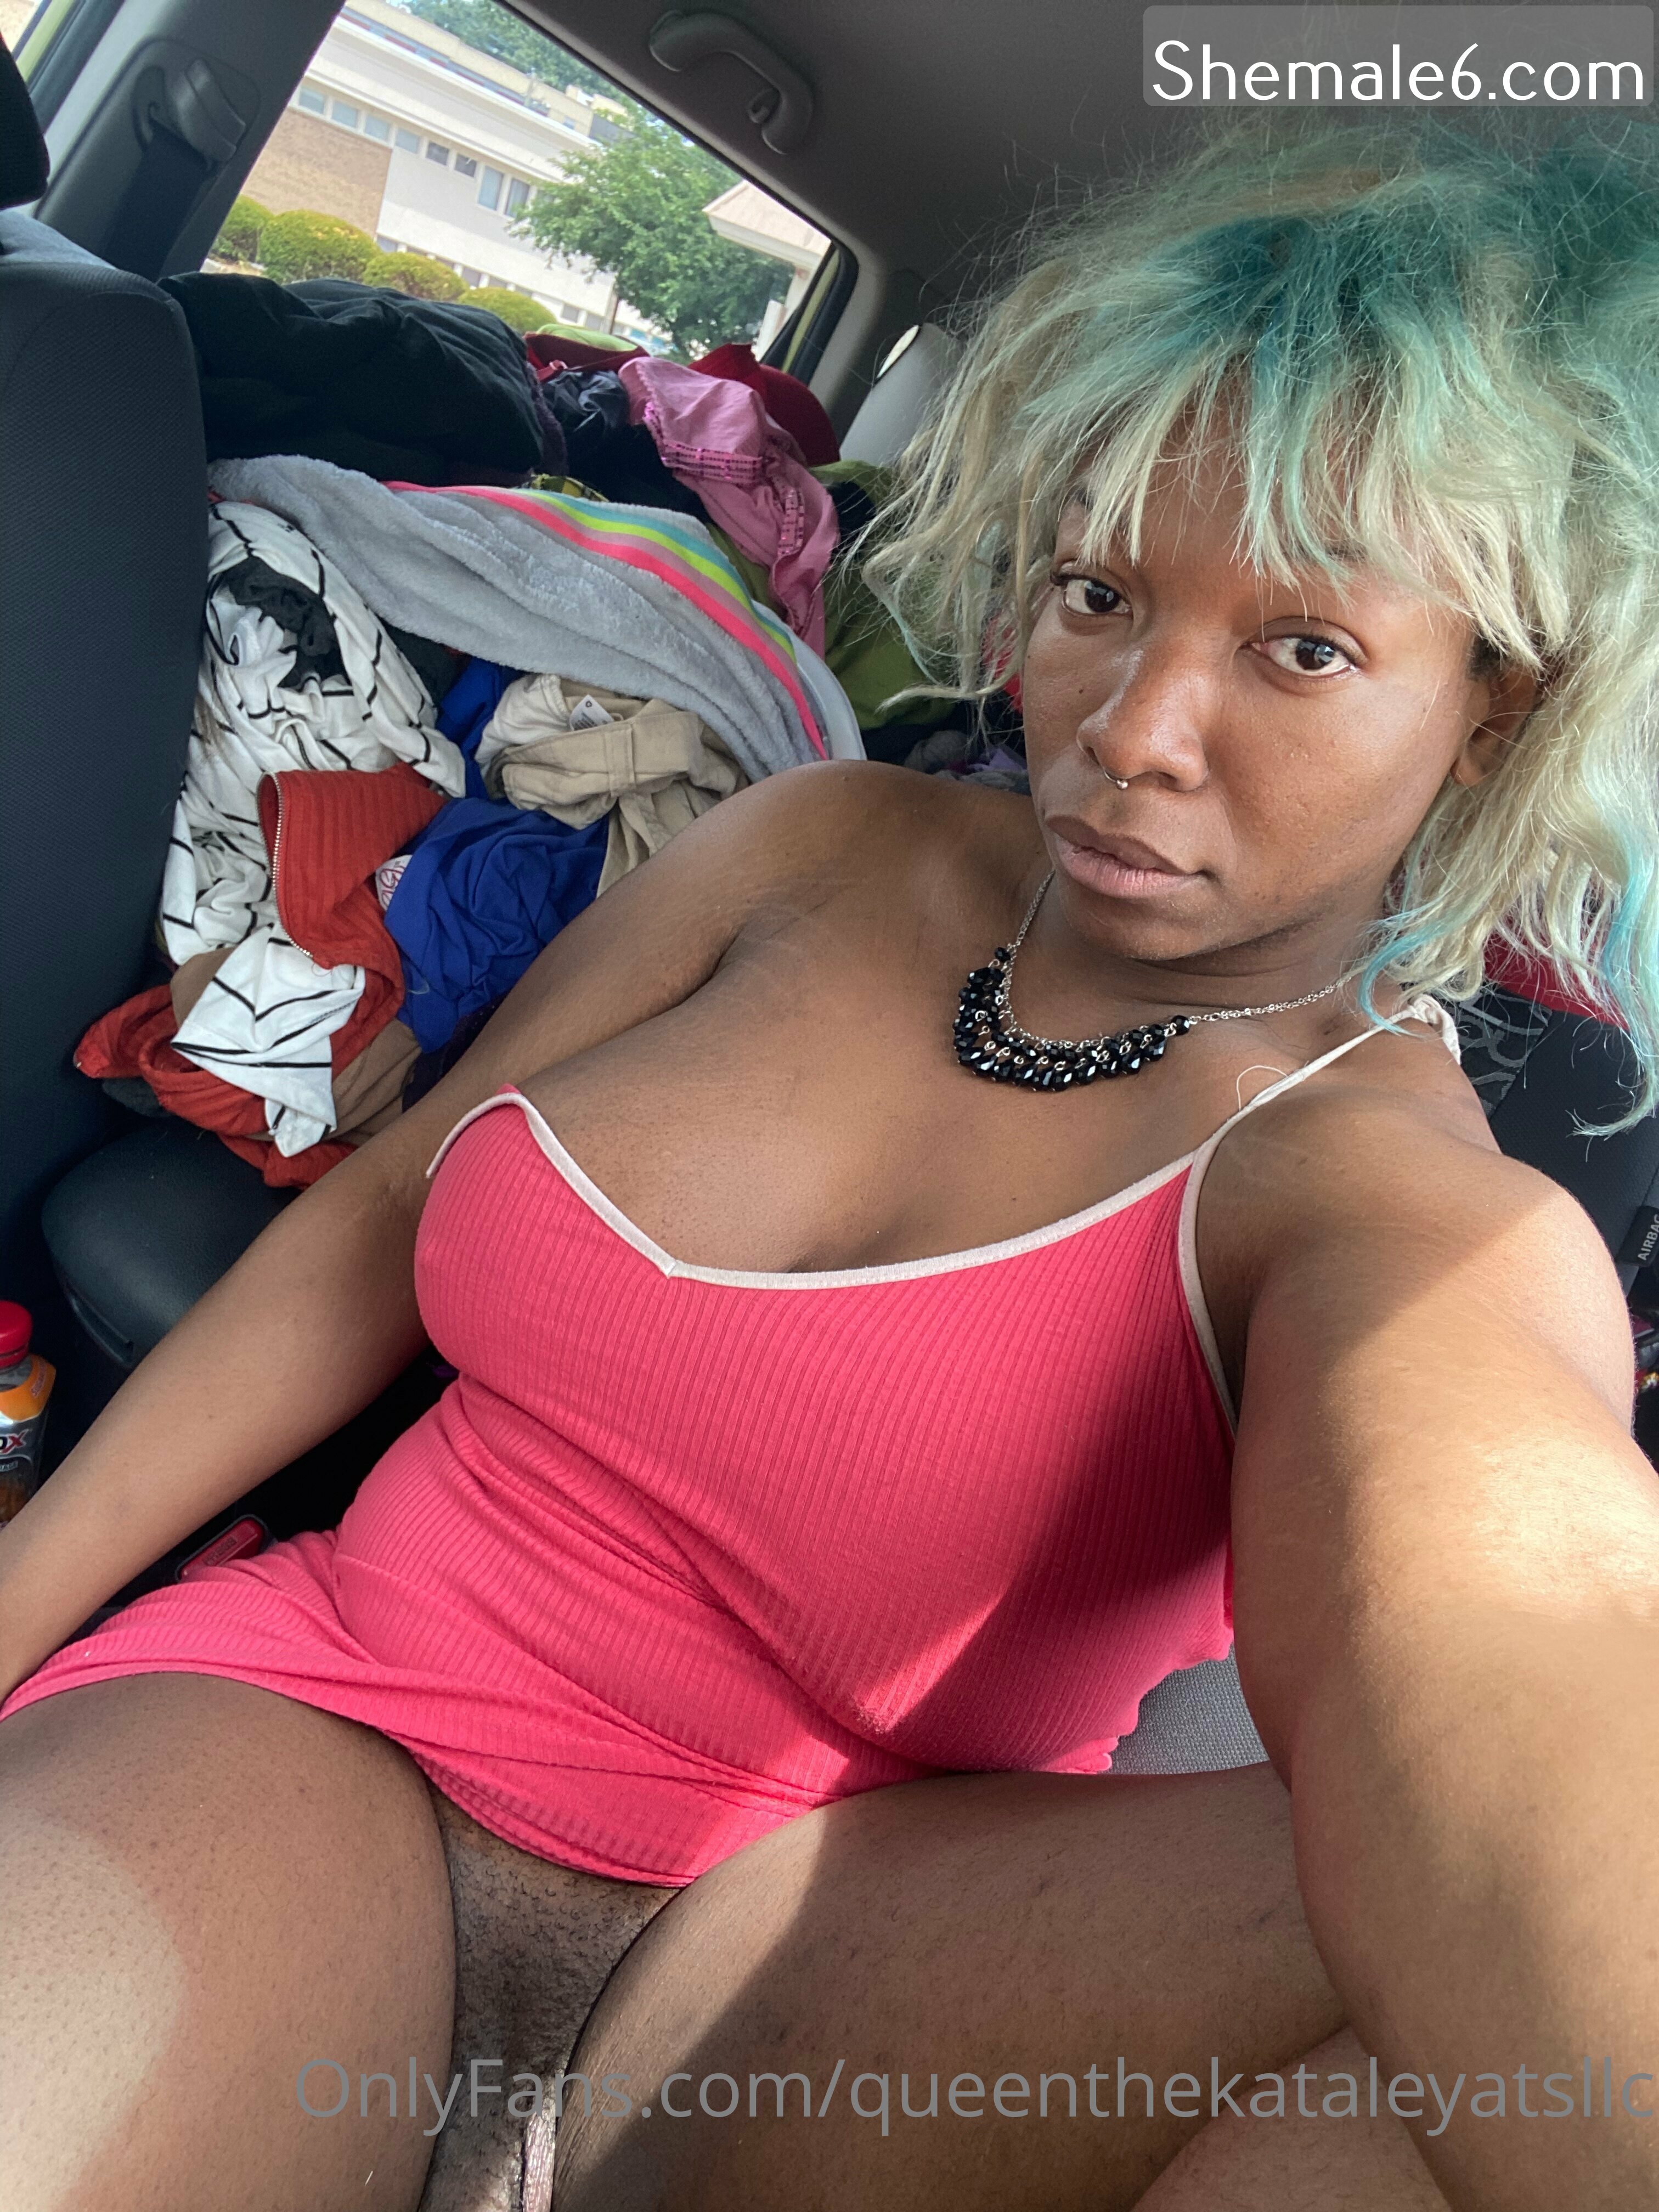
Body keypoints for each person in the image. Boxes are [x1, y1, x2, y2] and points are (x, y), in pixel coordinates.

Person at [4, 112, 1659, 2212]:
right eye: (1099, 592)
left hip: (837, 1971)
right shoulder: (809, 844)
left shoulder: (1400, 1207)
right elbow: (389, 1217)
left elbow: (1528, 1644)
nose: (1134, 729)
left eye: (1304, 648)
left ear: (1495, 711)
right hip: (336, 1729)